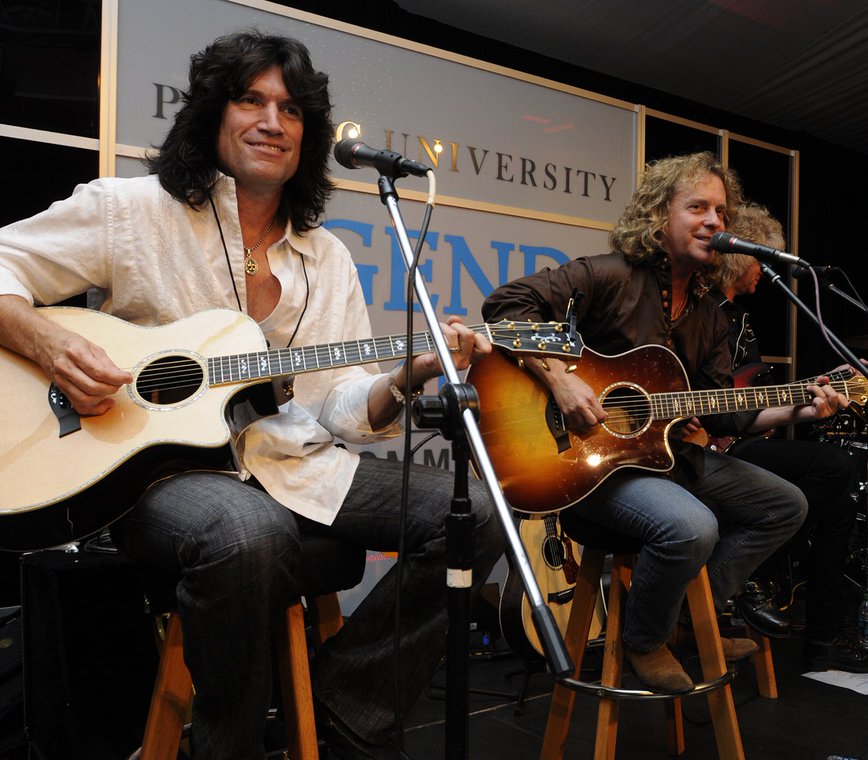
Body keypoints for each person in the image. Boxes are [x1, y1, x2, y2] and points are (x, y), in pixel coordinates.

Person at [0, 31, 504, 760]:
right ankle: (225, 746)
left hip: (294, 464)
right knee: (246, 533)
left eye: (292, 109)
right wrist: (49, 344)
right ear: (212, 113)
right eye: (251, 99)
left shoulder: (324, 255)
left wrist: (408, 375)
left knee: (478, 513)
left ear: (310, 135)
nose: (273, 120)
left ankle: (347, 703)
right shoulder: (130, 210)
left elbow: (336, 405)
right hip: (153, 476)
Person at [481, 151, 848, 693]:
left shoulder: (709, 313)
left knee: (784, 505)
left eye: (721, 212)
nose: (714, 221)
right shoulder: (609, 275)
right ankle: (644, 641)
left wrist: (803, 406)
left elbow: (734, 409)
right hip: (586, 464)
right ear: (659, 215)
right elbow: (505, 306)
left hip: (662, 457)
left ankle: (686, 623)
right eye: (697, 206)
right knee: (690, 527)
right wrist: (560, 378)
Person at [708, 203, 868, 671]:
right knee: (833, 468)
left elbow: (756, 404)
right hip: (712, 441)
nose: (765, 272)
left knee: (841, 502)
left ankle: (820, 638)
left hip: (741, 436)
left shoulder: (743, 322)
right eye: (761, 259)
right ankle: (747, 566)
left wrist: (807, 400)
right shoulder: (703, 313)